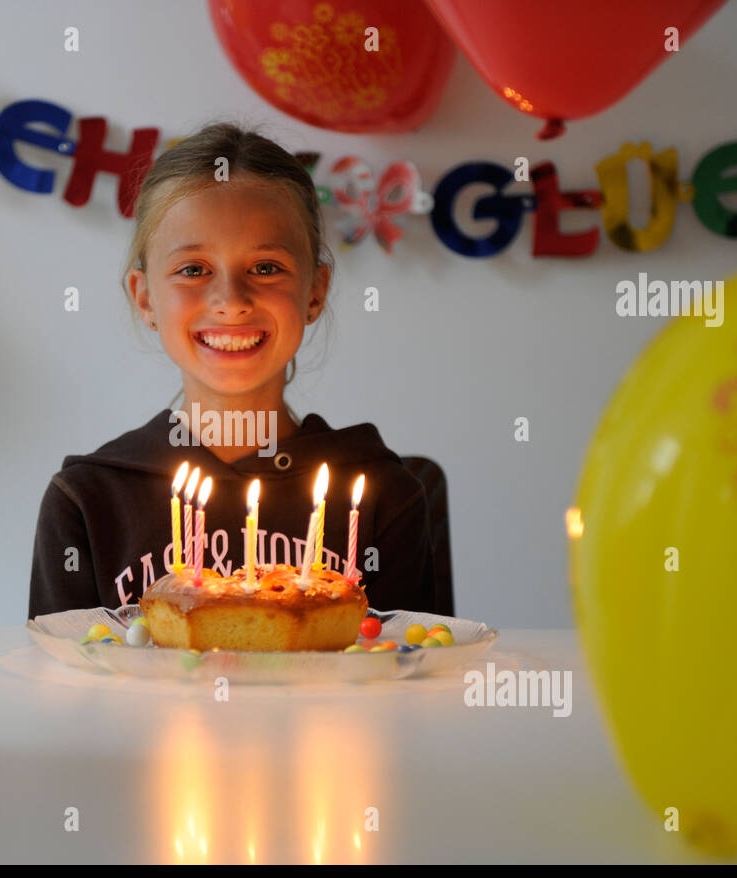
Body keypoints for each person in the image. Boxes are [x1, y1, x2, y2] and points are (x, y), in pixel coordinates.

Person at [27, 122, 439, 618]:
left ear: (315, 292)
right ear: (144, 298)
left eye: (265, 267)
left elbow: (409, 679)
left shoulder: (382, 496)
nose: (230, 302)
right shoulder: (88, 503)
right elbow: (60, 687)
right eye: (193, 269)